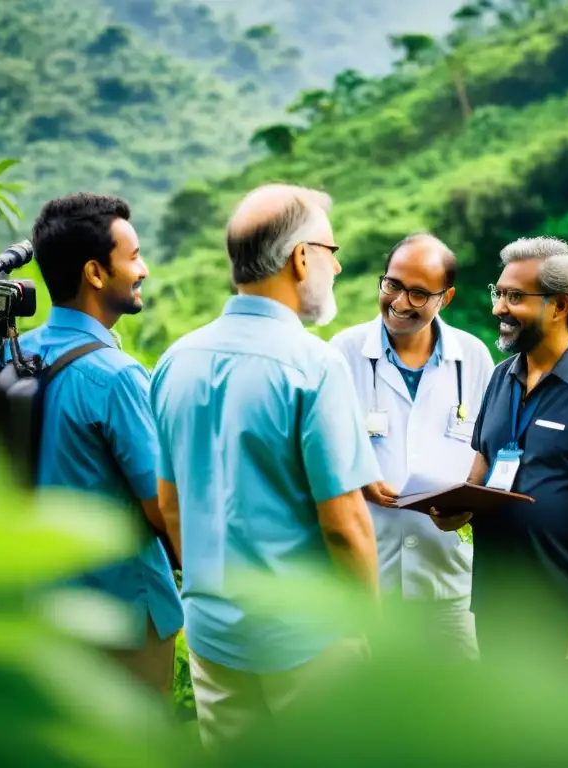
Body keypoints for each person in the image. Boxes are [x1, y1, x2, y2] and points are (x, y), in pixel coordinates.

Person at [149, 183, 382, 750]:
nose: (338, 265)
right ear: (302, 257)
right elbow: (344, 524)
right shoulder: (314, 365)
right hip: (310, 639)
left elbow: (171, 505)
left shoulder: (176, 359)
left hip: (212, 633)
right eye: (331, 251)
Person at [431, 236, 568, 674]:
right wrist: (459, 507)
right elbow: (484, 464)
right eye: (499, 293)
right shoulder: (500, 377)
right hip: (497, 601)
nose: (498, 308)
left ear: (560, 306)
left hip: (567, 607)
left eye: (514, 297)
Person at [20, 192, 183, 694]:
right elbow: (161, 505)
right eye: (133, 257)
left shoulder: (12, 354)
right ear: (95, 273)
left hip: (34, 609)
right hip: (121, 618)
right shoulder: (116, 377)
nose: (144, 270)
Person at [329, 233, 494, 659]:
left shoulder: (473, 358)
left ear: (447, 297)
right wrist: (359, 479)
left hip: (448, 581)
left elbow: (487, 453)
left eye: (419, 293)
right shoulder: (343, 354)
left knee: (459, 712)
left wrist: (469, 503)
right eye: (392, 285)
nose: (400, 302)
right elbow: (322, 451)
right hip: (367, 580)